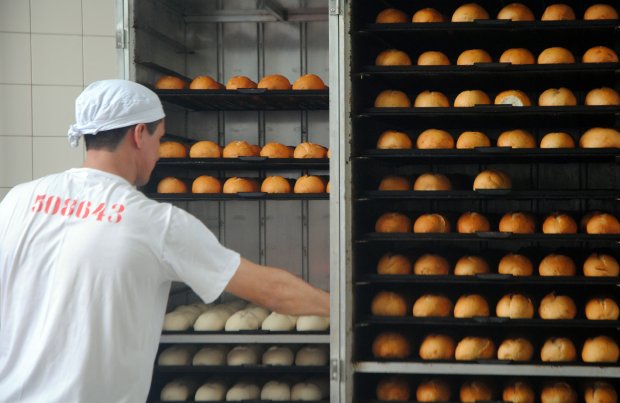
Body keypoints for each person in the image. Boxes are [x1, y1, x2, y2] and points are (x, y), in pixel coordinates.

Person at [0, 79, 330, 402]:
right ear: (139, 134)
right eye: (159, 138)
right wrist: (339, 307)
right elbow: (270, 290)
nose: (159, 153)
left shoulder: (17, 200)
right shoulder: (154, 222)